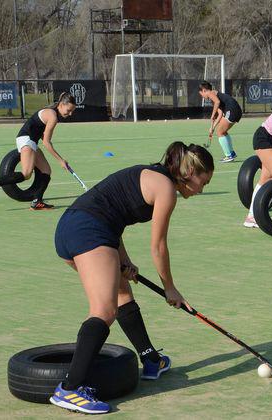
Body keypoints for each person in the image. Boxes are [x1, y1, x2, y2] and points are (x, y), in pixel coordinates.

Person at [50, 142, 214, 414]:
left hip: (72, 228)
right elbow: (158, 246)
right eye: (203, 181)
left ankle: (151, 360)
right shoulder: (166, 190)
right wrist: (170, 288)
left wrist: (123, 261)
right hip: (89, 231)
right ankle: (70, 389)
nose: (202, 189)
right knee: (104, 310)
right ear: (190, 172)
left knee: (122, 292)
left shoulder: (152, 174)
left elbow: (115, 215)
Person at [0, 93, 76, 209]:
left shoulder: (51, 113)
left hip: (31, 141)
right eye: (69, 110)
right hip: (27, 140)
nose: (70, 113)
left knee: (46, 170)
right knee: (26, 174)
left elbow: (42, 134)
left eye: (72, 111)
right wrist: (61, 160)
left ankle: (37, 201)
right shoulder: (53, 116)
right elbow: (46, 142)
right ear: (61, 105)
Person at [198, 81, 242, 162]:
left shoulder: (211, 93)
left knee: (220, 132)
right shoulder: (214, 97)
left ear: (204, 90)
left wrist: (212, 115)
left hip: (232, 109)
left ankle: (228, 156)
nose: (203, 97)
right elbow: (220, 114)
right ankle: (231, 153)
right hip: (235, 110)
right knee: (223, 132)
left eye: (201, 95)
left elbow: (217, 102)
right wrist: (213, 127)